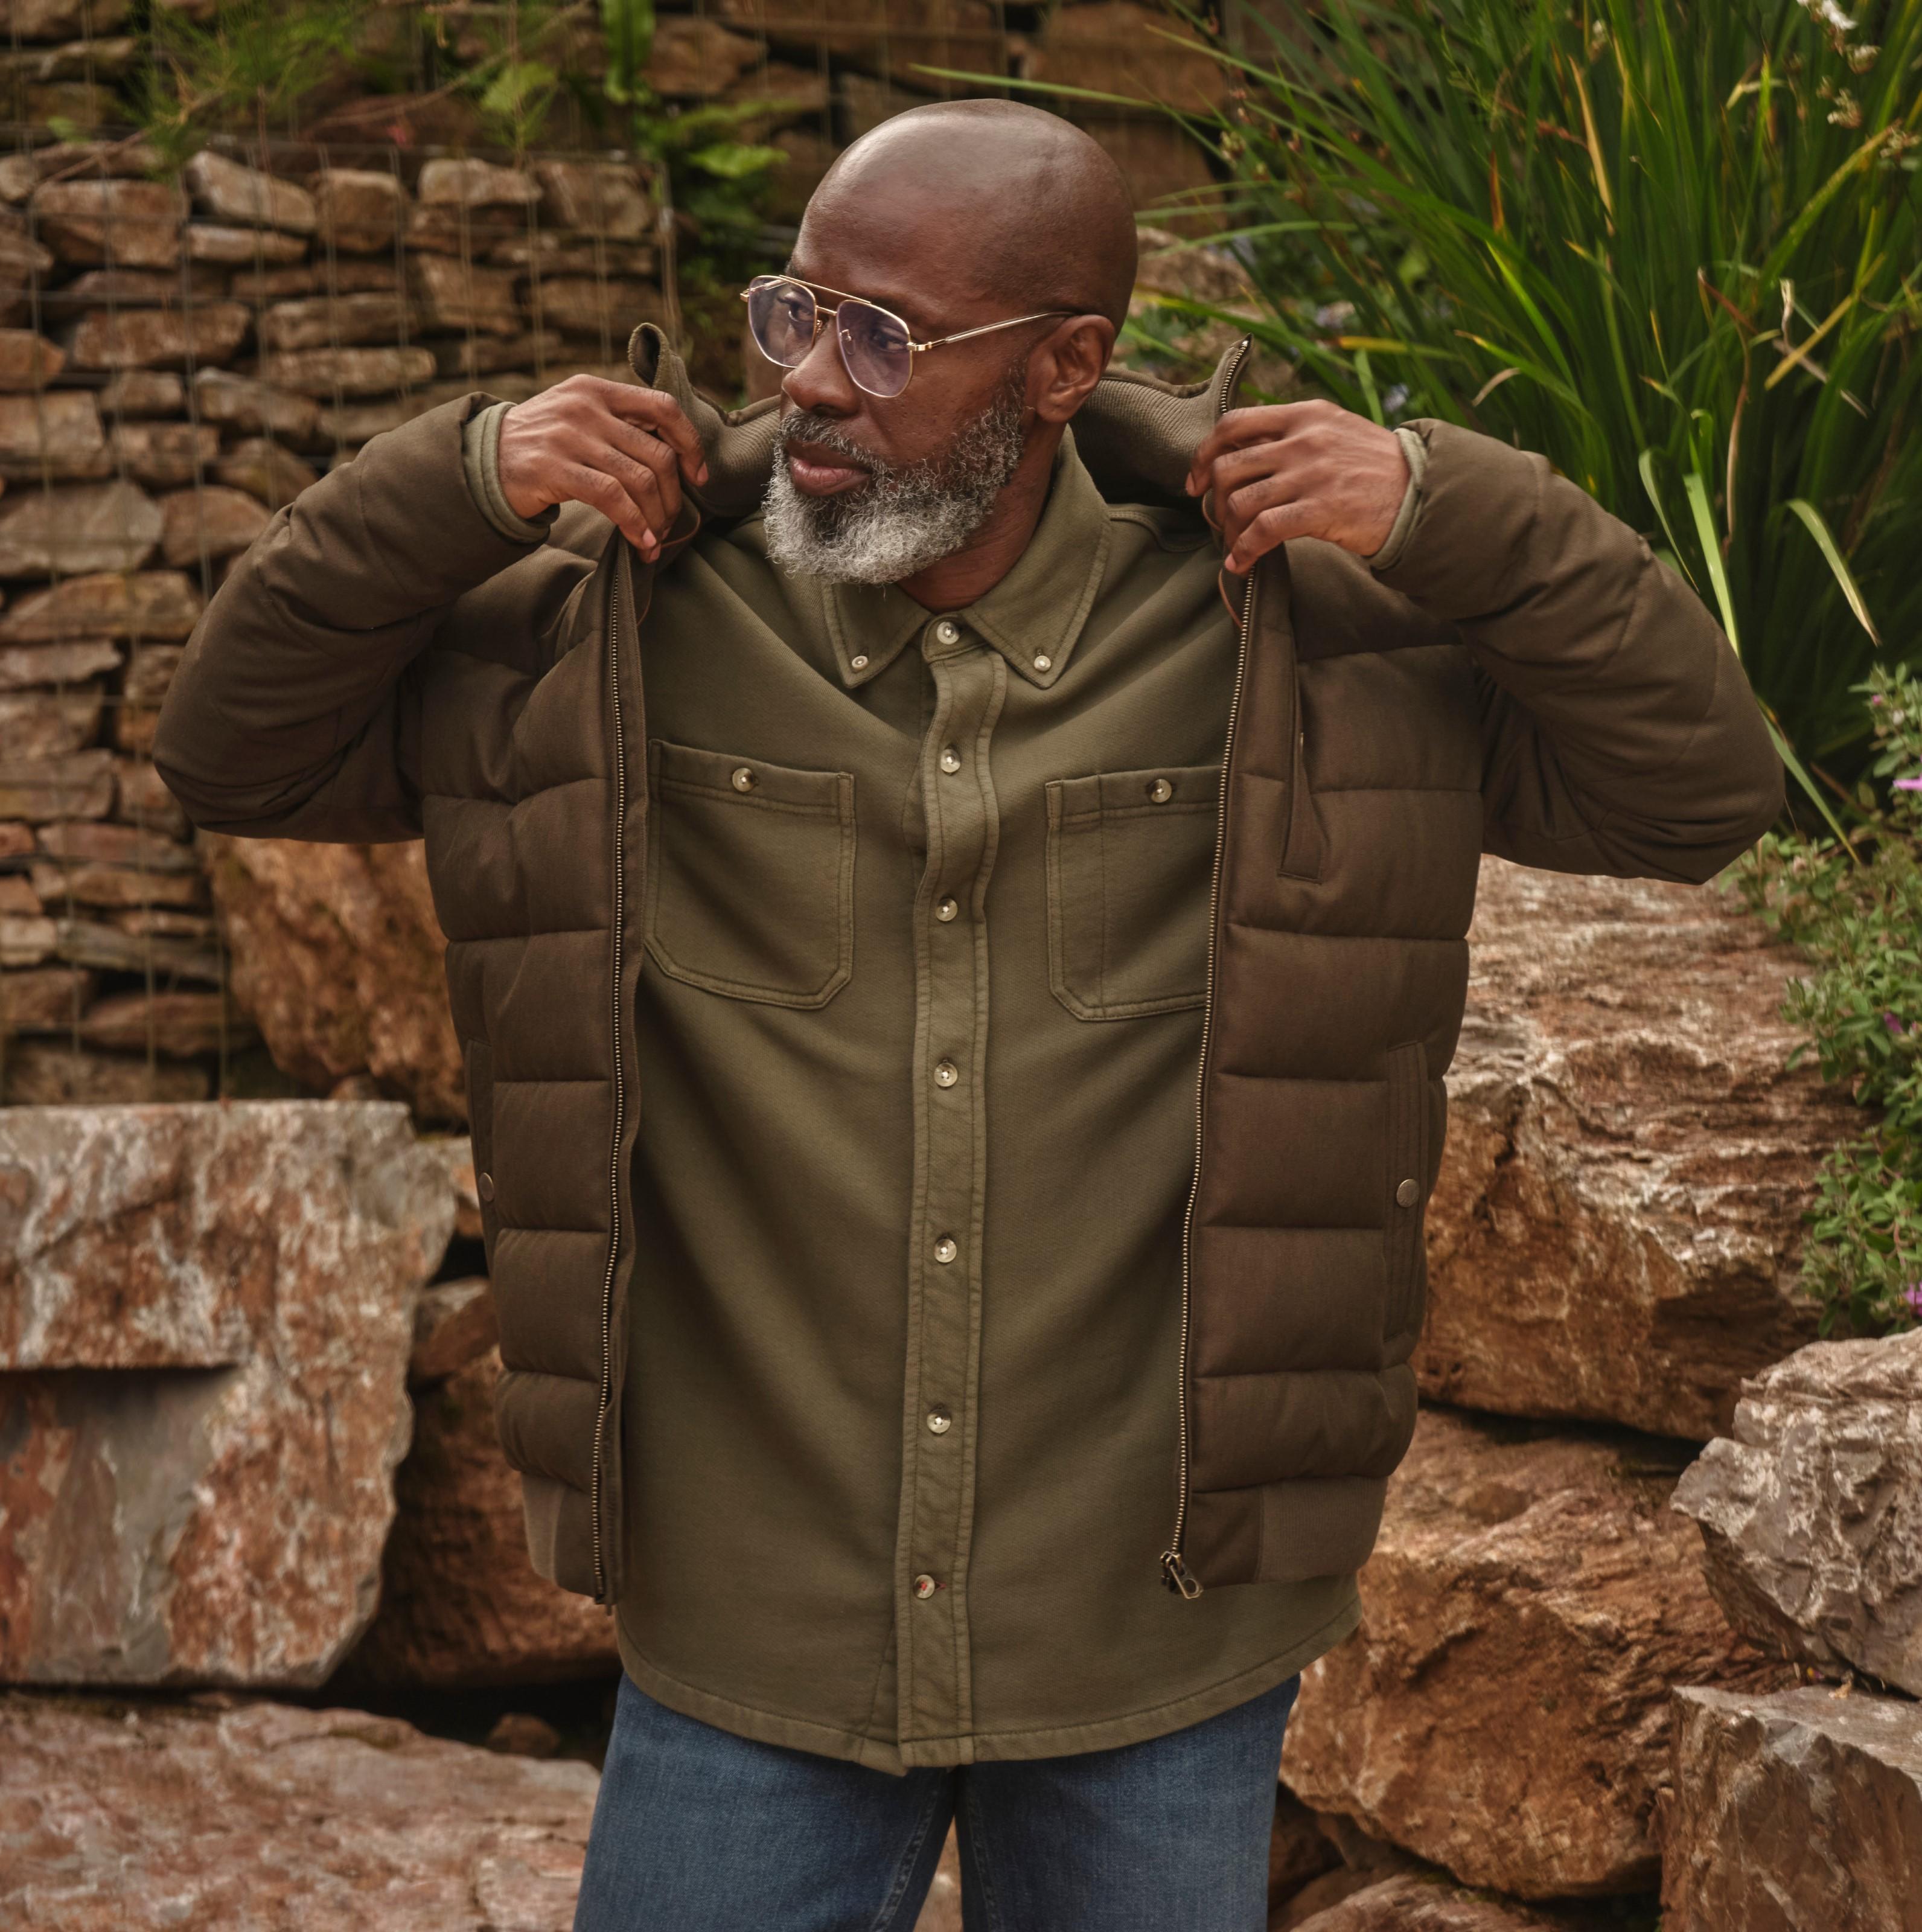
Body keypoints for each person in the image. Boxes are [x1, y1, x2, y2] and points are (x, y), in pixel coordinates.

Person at [154, 98, 1782, 1932]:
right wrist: (452, 479)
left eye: (883, 338)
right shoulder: (617, 627)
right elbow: (234, 749)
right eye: (793, 314)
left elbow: (1696, 790)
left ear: (1070, 365)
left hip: (1153, 1627)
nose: (814, 384)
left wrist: (1446, 507)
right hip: (752, 1628)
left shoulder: (1306, 652)